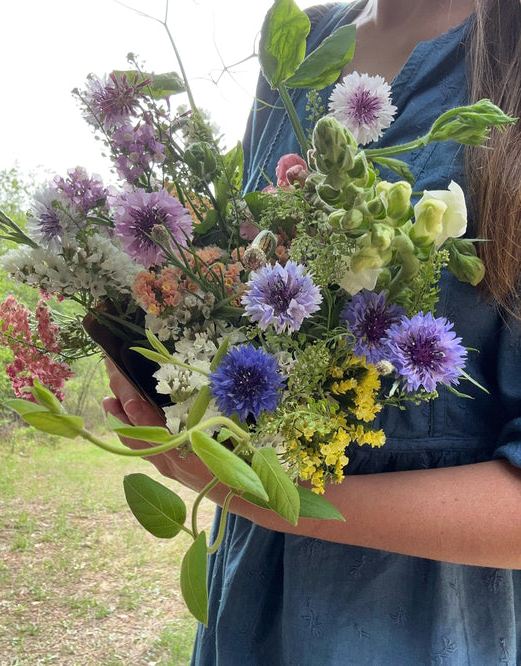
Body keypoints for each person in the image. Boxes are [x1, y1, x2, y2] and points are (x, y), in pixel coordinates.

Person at [104, 0, 521, 663]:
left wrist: (260, 494)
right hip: (252, 591)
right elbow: (247, 274)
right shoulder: (293, 42)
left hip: (426, 618)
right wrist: (152, 341)